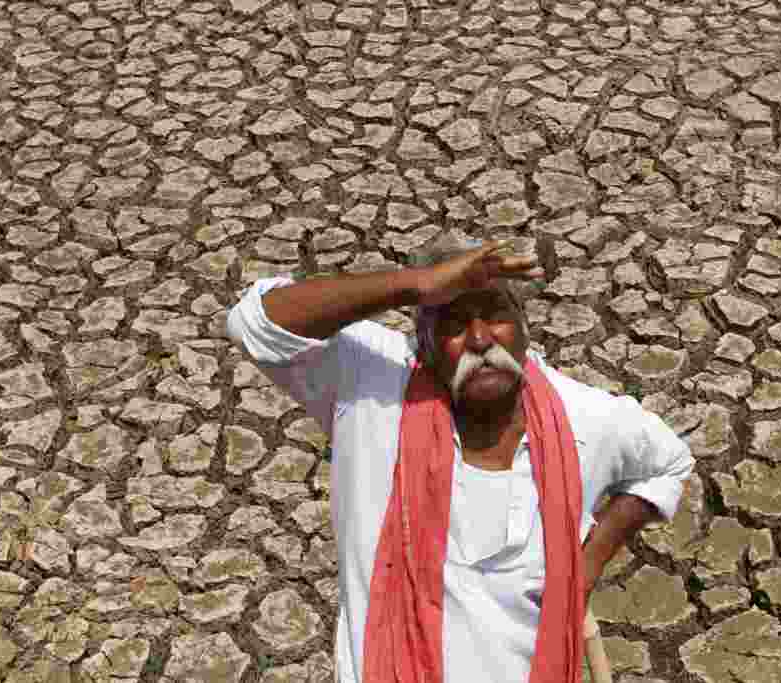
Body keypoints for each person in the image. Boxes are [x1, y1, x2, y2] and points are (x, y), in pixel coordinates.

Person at [226, 234, 694, 683]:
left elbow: (667, 463)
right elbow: (255, 322)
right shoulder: (374, 385)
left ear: (525, 331)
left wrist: (583, 570)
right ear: (425, 346)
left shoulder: (582, 418)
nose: (478, 338)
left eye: (495, 315)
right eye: (451, 322)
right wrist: (418, 284)